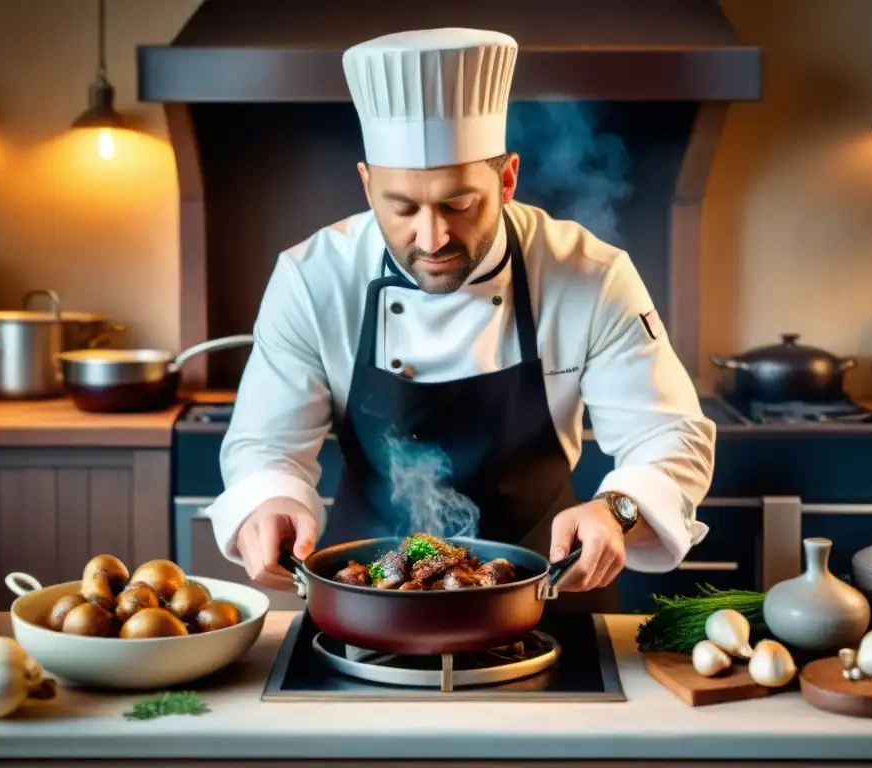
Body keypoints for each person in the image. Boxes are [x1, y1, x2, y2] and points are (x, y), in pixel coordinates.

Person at [204, 27, 716, 611]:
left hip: (549, 588)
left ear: (506, 179)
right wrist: (269, 499)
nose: (432, 237)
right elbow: (265, 445)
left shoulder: (592, 276)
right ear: (368, 186)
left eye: (459, 204)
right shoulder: (312, 278)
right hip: (367, 598)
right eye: (402, 208)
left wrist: (618, 508)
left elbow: (669, 434)